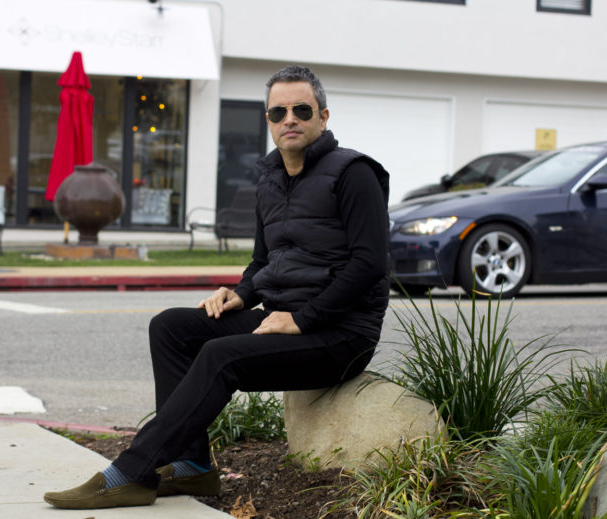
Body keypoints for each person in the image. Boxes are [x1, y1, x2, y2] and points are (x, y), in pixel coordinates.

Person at [43, 65, 391, 510]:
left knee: (220, 354)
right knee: (171, 327)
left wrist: (303, 319)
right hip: (284, 320)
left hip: (340, 335)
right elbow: (266, 262)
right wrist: (241, 294)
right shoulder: (271, 179)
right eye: (278, 111)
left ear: (323, 117)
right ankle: (192, 467)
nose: (289, 119)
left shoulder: (354, 173)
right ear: (267, 120)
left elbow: (369, 265)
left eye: (301, 109)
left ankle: (131, 473)